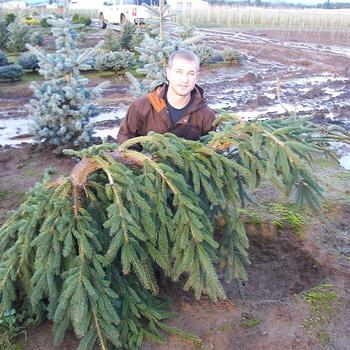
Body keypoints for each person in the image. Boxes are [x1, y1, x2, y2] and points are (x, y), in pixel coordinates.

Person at [116, 49, 215, 146]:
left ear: (196, 77)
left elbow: (211, 150)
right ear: (168, 73)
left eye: (191, 73)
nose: (184, 79)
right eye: (179, 72)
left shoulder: (206, 115)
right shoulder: (141, 106)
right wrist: (143, 159)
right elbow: (126, 137)